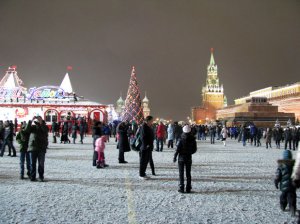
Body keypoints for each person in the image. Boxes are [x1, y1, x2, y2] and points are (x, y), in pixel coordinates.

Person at [173, 125, 197, 193]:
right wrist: (189, 152)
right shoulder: (193, 139)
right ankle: (188, 188)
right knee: (188, 173)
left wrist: (175, 156)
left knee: (181, 173)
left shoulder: (180, 139)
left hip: (181, 158)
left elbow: (177, 149)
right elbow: (194, 150)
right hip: (188, 158)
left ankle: (181, 187)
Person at [274, 150, 296, 216]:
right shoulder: (294, 165)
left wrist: (276, 182)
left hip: (284, 185)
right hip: (292, 185)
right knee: (291, 196)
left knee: (283, 195)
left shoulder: (281, 166)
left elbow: (278, 175)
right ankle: (292, 207)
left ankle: (283, 206)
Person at [27, 116, 49, 181]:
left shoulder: (44, 126)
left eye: (39, 119)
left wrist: (41, 123)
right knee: (32, 163)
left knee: (41, 163)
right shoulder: (33, 127)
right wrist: (31, 121)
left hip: (41, 148)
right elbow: (26, 130)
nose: (38, 121)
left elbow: (45, 130)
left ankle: (41, 176)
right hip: (32, 147)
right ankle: (32, 177)